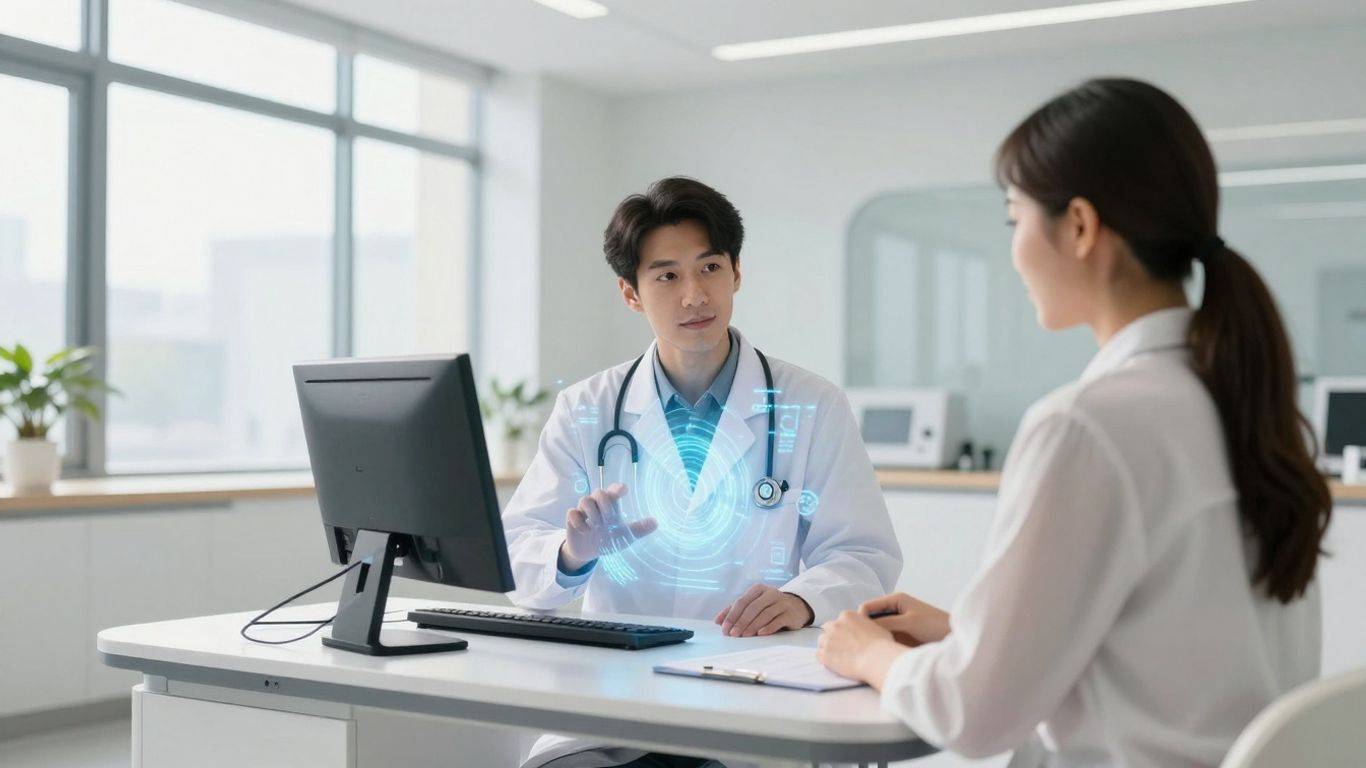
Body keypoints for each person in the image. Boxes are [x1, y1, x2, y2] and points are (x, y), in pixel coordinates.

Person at [818, 78, 1332, 768]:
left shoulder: (1089, 426)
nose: (1014, 251)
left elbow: (970, 715)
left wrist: (870, 654)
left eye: (1015, 220)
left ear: (1081, 227)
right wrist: (965, 632)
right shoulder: (1243, 404)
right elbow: (1175, 653)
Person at [503, 177, 902, 768]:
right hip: (618, 704)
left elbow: (864, 554)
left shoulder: (811, 403)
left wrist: (801, 598)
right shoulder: (587, 408)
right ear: (630, 293)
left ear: (736, 273)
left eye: (709, 267)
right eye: (666, 275)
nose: (694, 295)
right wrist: (572, 552)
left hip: (756, 693)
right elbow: (517, 552)